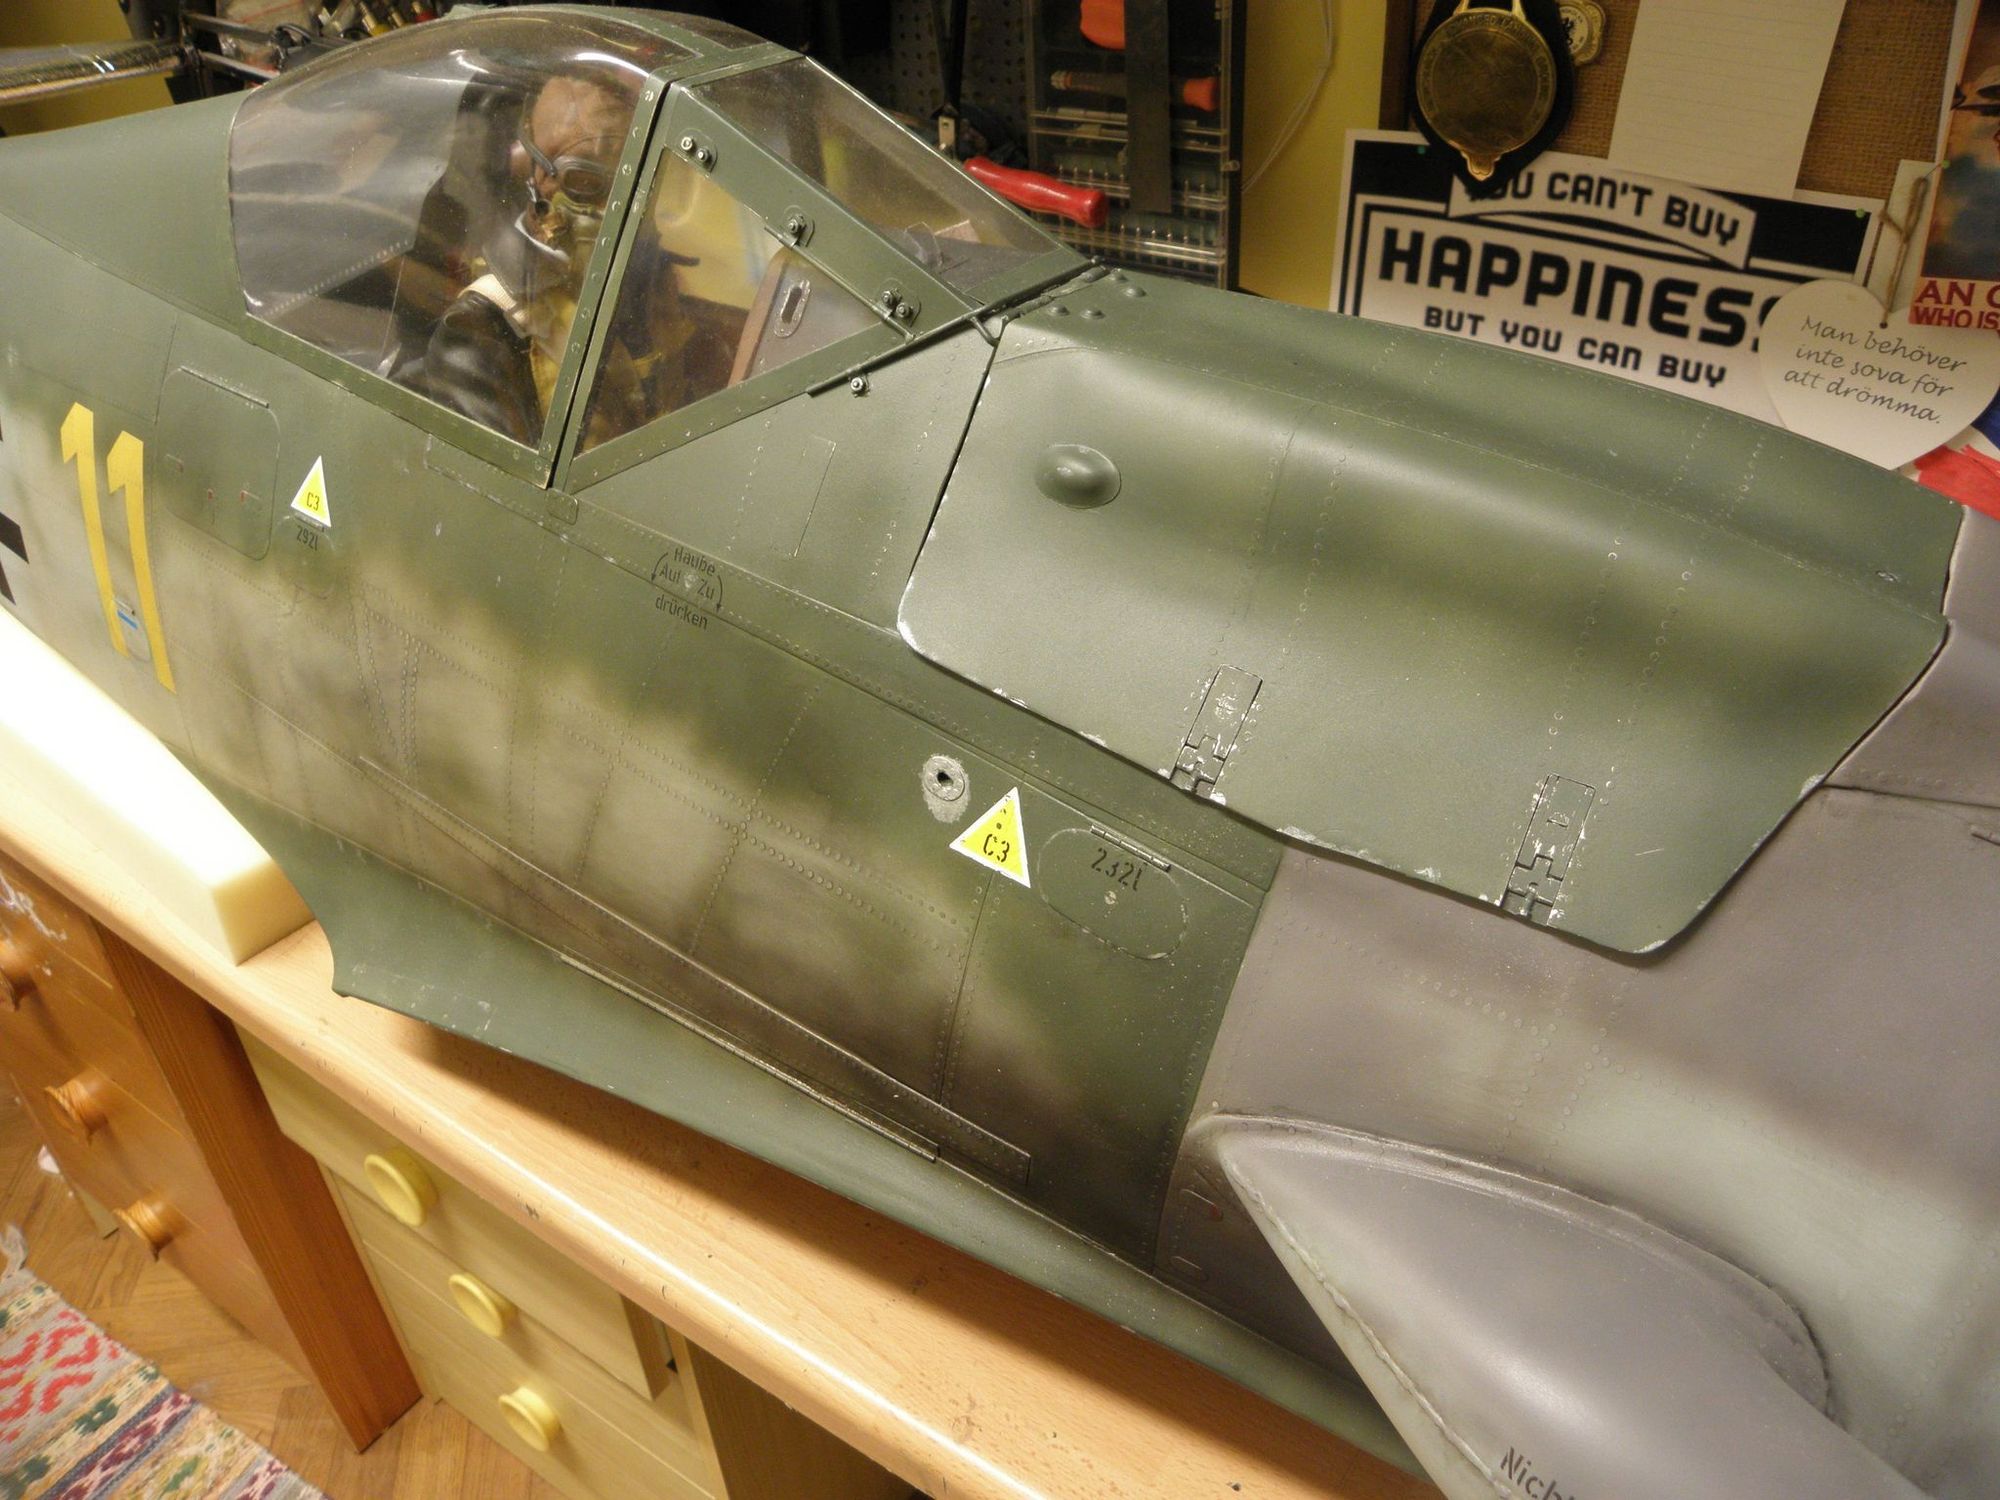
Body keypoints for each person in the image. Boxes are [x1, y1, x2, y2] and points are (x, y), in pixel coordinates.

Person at [423, 71, 632, 443]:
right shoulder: (483, 328)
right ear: (541, 177)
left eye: (630, 182)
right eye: (588, 181)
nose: (615, 204)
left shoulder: (641, 285)